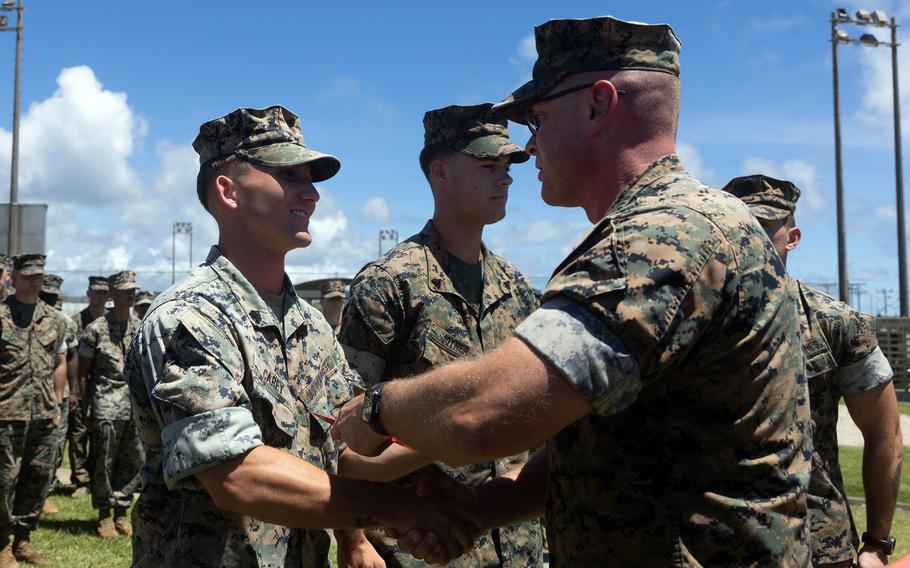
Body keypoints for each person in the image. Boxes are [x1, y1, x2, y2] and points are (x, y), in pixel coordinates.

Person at [333, 16, 812, 567]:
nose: (529, 148)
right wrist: (481, 507)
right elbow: (599, 443)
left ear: (597, 105)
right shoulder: (673, 227)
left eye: (536, 120)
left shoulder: (661, 238)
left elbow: (486, 413)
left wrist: (374, 411)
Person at [123, 105, 481, 567]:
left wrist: (454, 433)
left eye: (310, 179)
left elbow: (344, 456)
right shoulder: (189, 318)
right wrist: (403, 509)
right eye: (288, 175)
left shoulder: (311, 326)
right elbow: (237, 475)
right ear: (227, 190)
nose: (310, 194)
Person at [337, 103, 542, 567]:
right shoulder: (389, 285)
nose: (506, 178)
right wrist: (353, 539)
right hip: (422, 545)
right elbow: (344, 439)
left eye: (508, 167)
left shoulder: (517, 288)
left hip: (515, 539)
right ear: (441, 173)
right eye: (489, 165)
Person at [723, 174, 903, 568]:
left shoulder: (836, 324)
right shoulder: (687, 321)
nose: (749, 238)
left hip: (816, 545)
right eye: (738, 227)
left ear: (793, 237)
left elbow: (884, 433)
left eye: (765, 227)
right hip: (712, 545)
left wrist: (876, 544)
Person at [0, 254, 68, 567]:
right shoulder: (2, 315)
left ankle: (22, 540)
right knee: (5, 480)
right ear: (13, 278)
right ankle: (2, 544)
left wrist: (57, 402)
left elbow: (59, 362)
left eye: (38, 275)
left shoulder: (55, 320)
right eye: (28, 275)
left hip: (43, 413)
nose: (34, 281)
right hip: (6, 413)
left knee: (38, 478)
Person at [78, 270, 144, 538]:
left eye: (133, 290)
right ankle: (104, 514)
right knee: (103, 461)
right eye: (125, 290)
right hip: (105, 405)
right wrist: (85, 410)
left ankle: (121, 512)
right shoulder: (95, 329)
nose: (131, 294)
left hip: (135, 408)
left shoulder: (140, 326)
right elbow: (83, 373)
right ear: (112, 294)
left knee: (133, 461)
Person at [36, 274, 79, 517]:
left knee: (52, 449)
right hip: (23, 398)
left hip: (55, 397)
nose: (50, 300)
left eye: (54, 296)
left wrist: (71, 392)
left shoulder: (63, 322)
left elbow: (70, 357)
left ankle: (46, 493)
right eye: (47, 295)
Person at [68, 275, 110, 497]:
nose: (100, 296)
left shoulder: (111, 321)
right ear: (88, 293)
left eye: (104, 292)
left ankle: (97, 477)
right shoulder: (77, 321)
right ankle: (81, 480)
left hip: (104, 387)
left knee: (101, 435)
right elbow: (70, 357)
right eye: (97, 292)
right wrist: (74, 389)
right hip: (82, 383)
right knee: (79, 432)